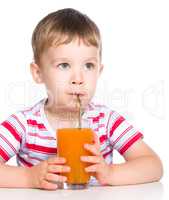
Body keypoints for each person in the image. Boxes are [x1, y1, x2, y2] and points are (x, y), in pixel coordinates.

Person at [0, 8, 163, 190]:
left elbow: (153, 165)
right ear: (38, 73)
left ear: (99, 71)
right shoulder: (23, 124)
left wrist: (110, 173)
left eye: (88, 65)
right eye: (64, 65)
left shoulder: (106, 121)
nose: (78, 78)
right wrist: (28, 177)